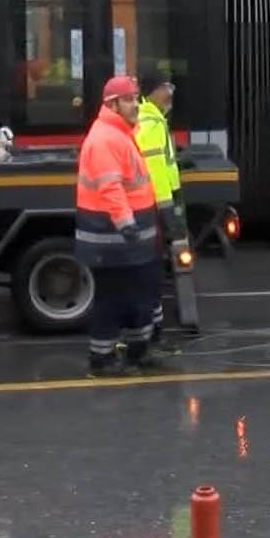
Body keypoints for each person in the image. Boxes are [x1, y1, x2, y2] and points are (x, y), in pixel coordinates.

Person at [76, 75, 164, 378]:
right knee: (112, 300)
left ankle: (138, 353)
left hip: (126, 238)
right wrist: (127, 225)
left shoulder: (121, 134)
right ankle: (101, 361)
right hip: (111, 237)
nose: (135, 105)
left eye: (136, 98)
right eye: (129, 99)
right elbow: (110, 188)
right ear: (112, 104)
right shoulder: (106, 139)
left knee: (136, 295)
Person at [135, 72, 184, 350]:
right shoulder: (151, 122)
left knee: (152, 273)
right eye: (167, 87)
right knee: (150, 274)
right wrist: (169, 212)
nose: (170, 92)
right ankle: (151, 338)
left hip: (154, 205)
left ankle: (153, 333)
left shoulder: (153, 118)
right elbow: (155, 172)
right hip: (155, 207)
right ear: (153, 91)